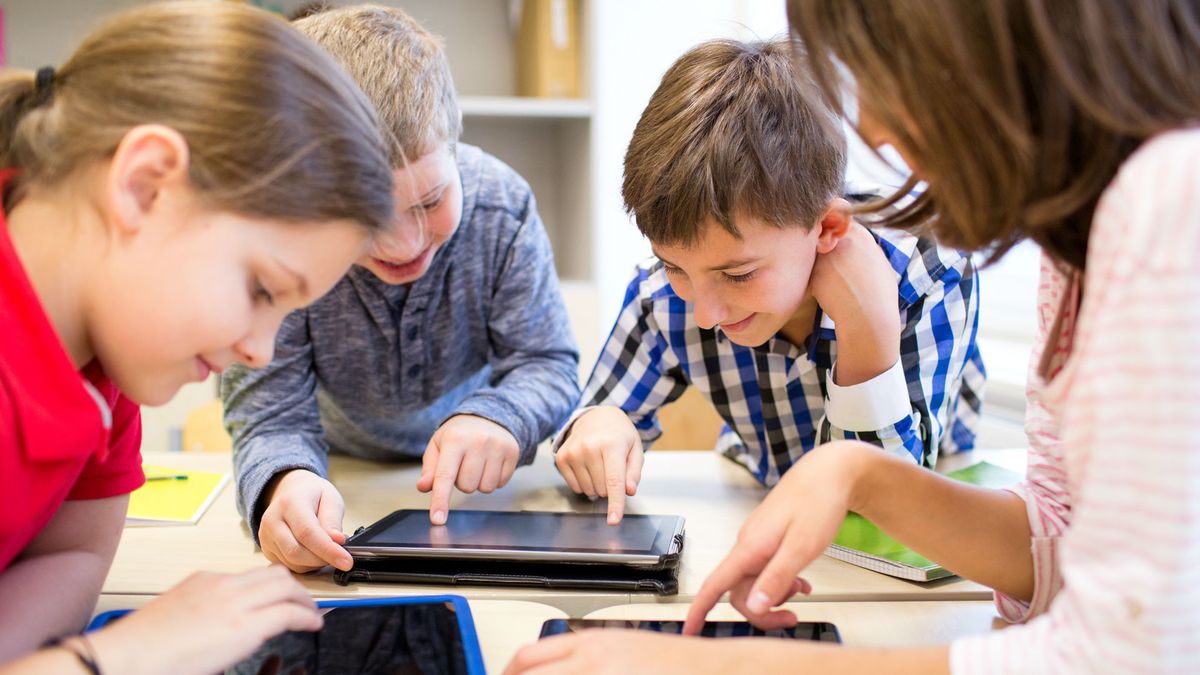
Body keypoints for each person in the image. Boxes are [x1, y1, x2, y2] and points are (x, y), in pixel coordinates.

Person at [506, 1, 1200, 673]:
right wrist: (853, 473)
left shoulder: (1163, 204)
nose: (866, 123)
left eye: (881, 68)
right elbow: (1056, 543)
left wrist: (712, 665)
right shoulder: (1075, 247)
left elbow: (1133, 647)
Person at [0, 2, 395, 673]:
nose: (260, 351)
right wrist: (114, 655)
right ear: (146, 185)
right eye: (262, 290)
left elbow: (73, 556)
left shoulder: (109, 353)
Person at [552, 37, 985, 524]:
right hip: (762, 495)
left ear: (827, 229)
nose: (705, 313)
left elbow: (884, 503)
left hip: (929, 518)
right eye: (673, 265)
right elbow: (586, 427)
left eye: (738, 274)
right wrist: (599, 424)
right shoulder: (663, 297)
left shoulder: (929, 270)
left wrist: (868, 329)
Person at [220, 4, 580, 574]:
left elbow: (548, 361)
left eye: (431, 201)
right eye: (367, 218)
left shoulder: (502, 207)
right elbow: (271, 413)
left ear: (456, 144)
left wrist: (501, 415)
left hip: (483, 491)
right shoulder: (283, 237)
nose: (404, 243)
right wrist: (284, 482)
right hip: (338, 475)